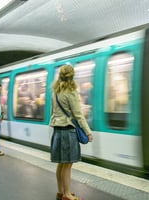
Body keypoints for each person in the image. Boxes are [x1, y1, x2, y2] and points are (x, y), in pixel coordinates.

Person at [50, 65, 93, 200]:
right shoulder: (71, 91)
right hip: (68, 132)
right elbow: (78, 115)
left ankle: (61, 192)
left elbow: (52, 112)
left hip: (57, 131)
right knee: (67, 164)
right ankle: (67, 194)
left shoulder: (55, 91)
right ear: (72, 76)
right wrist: (88, 132)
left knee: (61, 163)